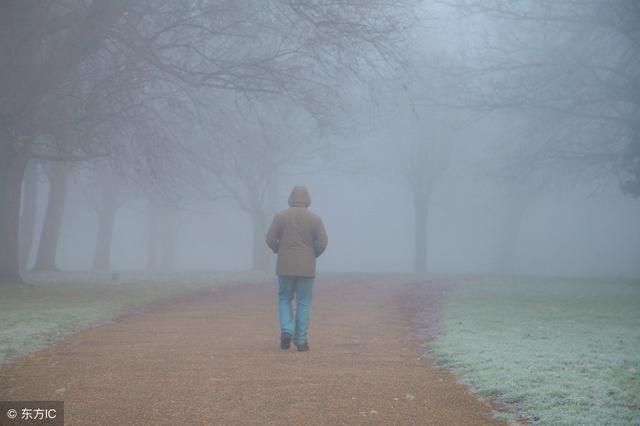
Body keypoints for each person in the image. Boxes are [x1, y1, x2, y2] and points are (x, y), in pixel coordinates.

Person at [266, 186, 328, 352]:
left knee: (285, 298)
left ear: (290, 198)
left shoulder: (280, 217)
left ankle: (286, 330)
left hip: (285, 265)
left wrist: (278, 249)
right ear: (308, 199)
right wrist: (313, 254)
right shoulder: (315, 219)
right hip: (307, 267)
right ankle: (301, 342)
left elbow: (270, 238)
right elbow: (323, 242)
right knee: (304, 302)